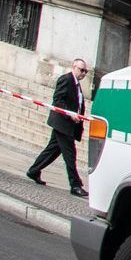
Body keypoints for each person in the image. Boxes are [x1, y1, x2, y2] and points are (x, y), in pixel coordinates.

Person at [29, 57, 90, 196]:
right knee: (70, 154)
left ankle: (33, 170)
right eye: (81, 70)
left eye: (85, 71)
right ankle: (75, 185)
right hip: (62, 123)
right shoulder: (66, 80)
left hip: (67, 125)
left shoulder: (76, 84)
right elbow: (57, 100)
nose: (84, 73)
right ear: (74, 67)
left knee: (52, 150)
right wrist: (70, 114)